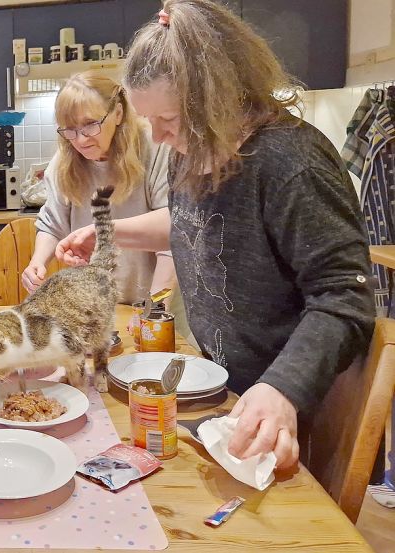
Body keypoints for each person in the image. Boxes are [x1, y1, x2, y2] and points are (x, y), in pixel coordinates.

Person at [58, 0, 375, 469]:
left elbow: (344, 298)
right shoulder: (200, 145)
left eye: (168, 121)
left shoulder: (291, 164)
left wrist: (282, 389)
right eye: (150, 122)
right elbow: (191, 222)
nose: (159, 137)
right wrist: (106, 233)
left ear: (220, 97)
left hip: (287, 403)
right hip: (223, 390)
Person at [22, 72, 175, 303]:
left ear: (118, 113)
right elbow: (52, 224)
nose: (81, 140)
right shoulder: (64, 163)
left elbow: (172, 234)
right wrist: (37, 263)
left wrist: (156, 309)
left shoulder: (154, 148)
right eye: (70, 130)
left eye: (90, 125)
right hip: (95, 304)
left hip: (157, 296)